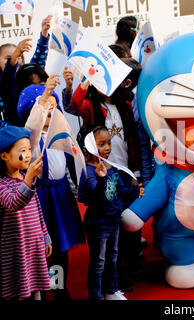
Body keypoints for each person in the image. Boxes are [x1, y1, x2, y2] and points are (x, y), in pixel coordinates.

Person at [17, 79, 84, 300]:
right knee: (43, 249)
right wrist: (44, 98)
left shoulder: (60, 137)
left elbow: (66, 169)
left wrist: (74, 192)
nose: (50, 116)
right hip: (41, 198)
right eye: (46, 112)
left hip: (61, 196)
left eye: (54, 111)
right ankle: (42, 290)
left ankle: (58, 289)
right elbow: (32, 128)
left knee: (61, 249)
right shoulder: (32, 141)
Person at [78, 126, 143, 300]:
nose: (107, 147)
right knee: (98, 263)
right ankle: (96, 296)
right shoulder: (89, 170)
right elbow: (92, 194)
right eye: (101, 144)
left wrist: (135, 191)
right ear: (91, 146)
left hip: (113, 220)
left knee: (113, 257)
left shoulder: (111, 166)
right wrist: (100, 178)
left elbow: (119, 190)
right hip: (98, 224)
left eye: (108, 143)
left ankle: (111, 291)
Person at [0, 125, 50, 300]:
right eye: (23, 150)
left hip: (34, 246)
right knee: (18, 289)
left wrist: (45, 236)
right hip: (15, 249)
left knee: (36, 286)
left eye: (29, 149)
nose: (28, 154)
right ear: (4, 155)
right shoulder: (2, 184)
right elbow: (14, 203)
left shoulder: (24, 177)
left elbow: (37, 210)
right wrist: (28, 178)